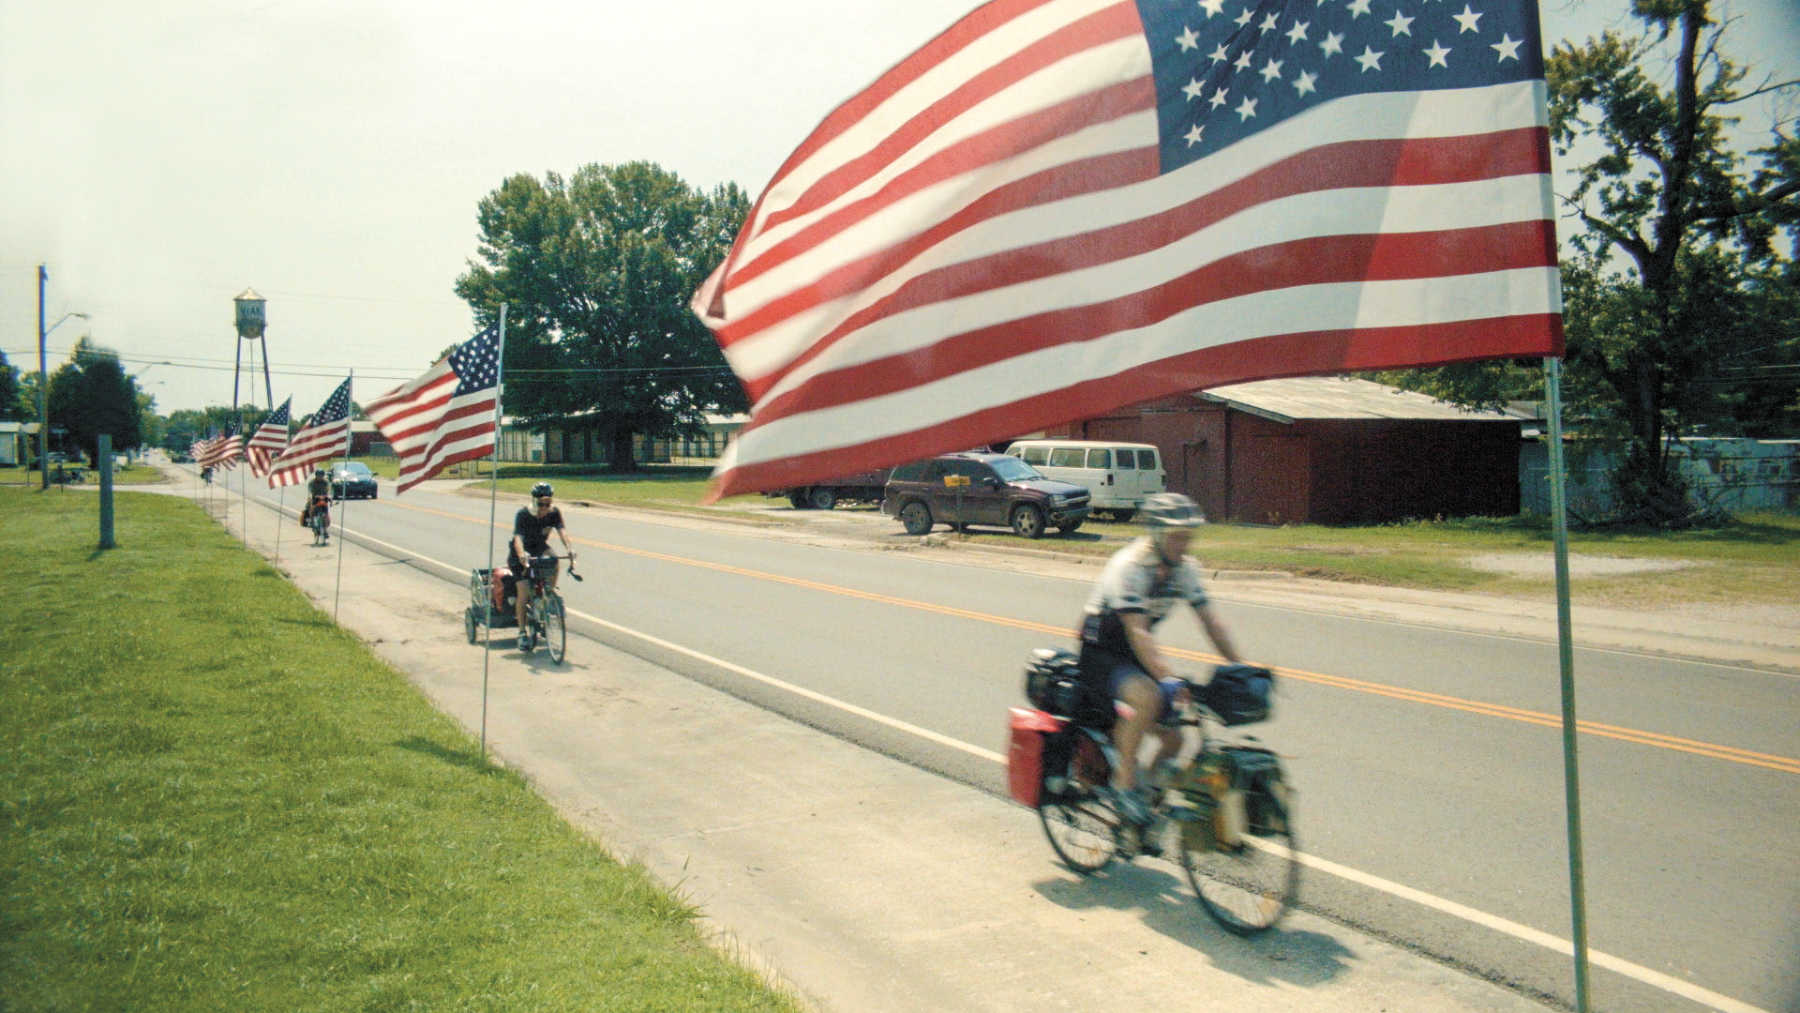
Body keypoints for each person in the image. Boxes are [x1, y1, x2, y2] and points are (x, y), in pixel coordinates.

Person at [1076, 492, 1244, 827]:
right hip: (1101, 651)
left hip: (1136, 655)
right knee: (1148, 697)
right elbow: (1138, 631)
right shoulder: (1130, 567)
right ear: (1156, 534)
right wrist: (1167, 677)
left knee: (1174, 738)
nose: (1184, 544)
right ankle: (1124, 786)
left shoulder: (1184, 569)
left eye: (1188, 537)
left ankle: (1146, 804)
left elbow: (1211, 621)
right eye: (1177, 536)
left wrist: (1241, 667)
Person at [509, 481, 574, 647]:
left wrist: (569, 549)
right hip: (520, 553)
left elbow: (562, 531)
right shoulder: (523, 514)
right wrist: (522, 555)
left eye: (548, 503)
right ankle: (522, 633)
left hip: (539, 548)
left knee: (554, 561)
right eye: (541, 503)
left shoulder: (554, 513)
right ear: (534, 500)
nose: (545, 507)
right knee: (523, 592)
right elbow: (518, 538)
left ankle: (547, 596)